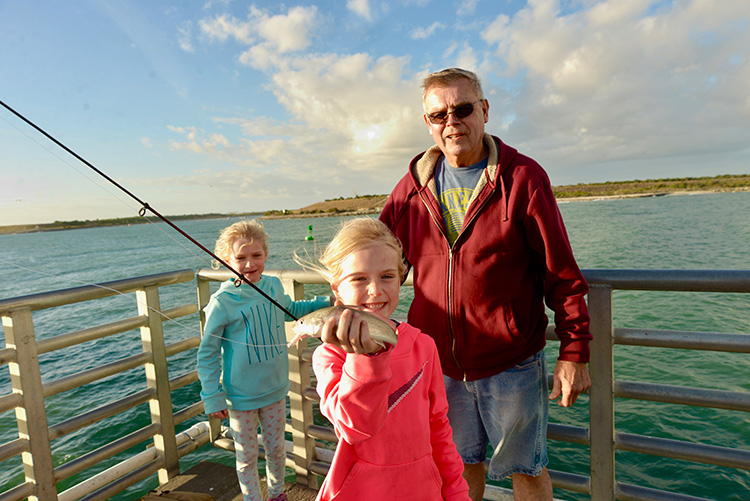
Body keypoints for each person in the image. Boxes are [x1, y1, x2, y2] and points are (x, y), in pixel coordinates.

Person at [380, 68, 592, 500]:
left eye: (462, 109)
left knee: (527, 472)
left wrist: (574, 351)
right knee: (455, 468)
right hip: (439, 364)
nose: (451, 122)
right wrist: (348, 307)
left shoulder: (524, 178)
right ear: (428, 122)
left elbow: (563, 275)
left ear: (485, 111)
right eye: (438, 115)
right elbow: (376, 258)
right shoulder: (411, 186)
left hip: (511, 363)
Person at [300, 218, 470, 501]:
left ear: (401, 279)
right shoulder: (329, 355)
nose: (375, 291)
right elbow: (354, 428)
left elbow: (439, 428)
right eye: (359, 278)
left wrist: (456, 492)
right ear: (337, 290)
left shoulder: (423, 347)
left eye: (387, 277)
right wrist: (367, 358)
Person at [196, 219, 331, 501]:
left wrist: (326, 301)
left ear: (266, 255)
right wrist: (212, 395)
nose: (249, 264)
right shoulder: (222, 302)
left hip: (275, 388)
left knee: (277, 449)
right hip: (240, 396)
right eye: (240, 258)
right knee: (246, 457)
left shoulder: (272, 285)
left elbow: (291, 309)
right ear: (226, 261)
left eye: (256, 255)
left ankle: (277, 494)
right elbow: (207, 353)